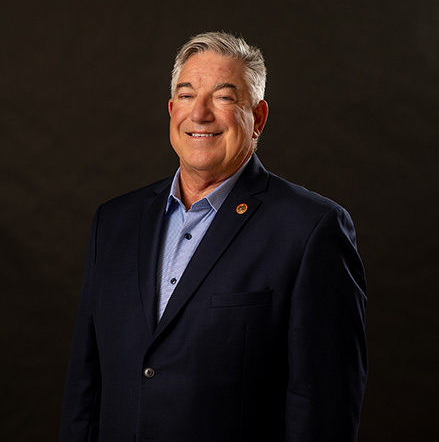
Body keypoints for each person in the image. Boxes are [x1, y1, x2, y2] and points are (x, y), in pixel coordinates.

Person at [59, 31, 367, 442]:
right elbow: (85, 385)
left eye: (223, 97)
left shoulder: (311, 229)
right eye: (186, 96)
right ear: (171, 110)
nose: (199, 113)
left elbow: (322, 406)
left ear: (257, 118)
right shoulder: (114, 222)